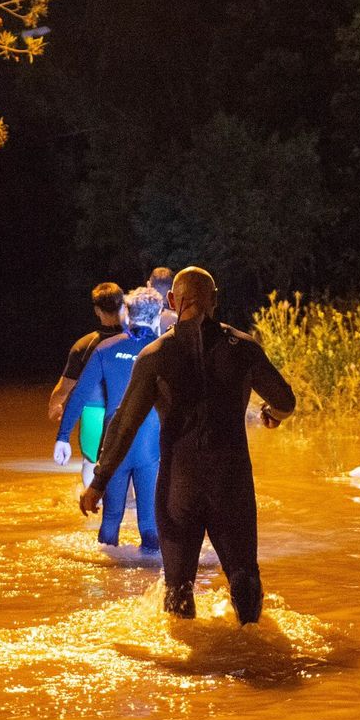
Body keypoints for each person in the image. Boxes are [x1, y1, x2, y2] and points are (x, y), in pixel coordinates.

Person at [79, 266, 295, 624]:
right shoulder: (243, 348)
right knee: (244, 578)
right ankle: (254, 649)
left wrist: (98, 482)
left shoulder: (155, 354)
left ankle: (185, 656)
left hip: (180, 485)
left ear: (173, 301)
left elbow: (125, 424)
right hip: (232, 482)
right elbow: (286, 401)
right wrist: (273, 413)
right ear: (214, 301)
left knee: (178, 588)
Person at [54, 287, 164, 550]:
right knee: (150, 524)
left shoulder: (105, 348)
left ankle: (104, 584)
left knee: (111, 519)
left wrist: (62, 437)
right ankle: (153, 583)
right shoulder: (165, 349)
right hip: (150, 448)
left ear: (127, 313)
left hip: (114, 445)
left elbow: (78, 395)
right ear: (158, 315)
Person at [49, 282, 125, 486]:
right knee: (127, 465)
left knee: (91, 461)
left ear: (97, 310)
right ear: (123, 306)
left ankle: (91, 514)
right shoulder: (135, 341)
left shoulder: (85, 345)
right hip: (128, 410)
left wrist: (54, 404)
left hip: (93, 412)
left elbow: (65, 387)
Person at [147, 266, 178, 335]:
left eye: (164, 296)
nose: (161, 302)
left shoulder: (133, 316)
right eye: (157, 296)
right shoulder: (176, 319)